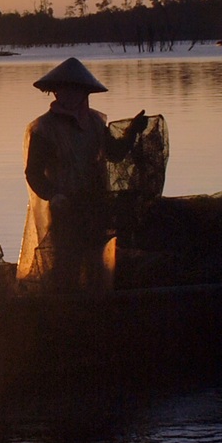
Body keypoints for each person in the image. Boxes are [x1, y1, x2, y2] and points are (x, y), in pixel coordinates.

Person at [18, 57, 148, 292]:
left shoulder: (95, 123)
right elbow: (33, 173)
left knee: (95, 263)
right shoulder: (44, 128)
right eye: (63, 89)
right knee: (65, 263)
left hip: (94, 204)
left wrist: (132, 132)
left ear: (84, 92)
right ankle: (63, 311)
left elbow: (114, 153)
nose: (67, 94)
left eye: (74, 89)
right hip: (65, 207)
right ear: (56, 92)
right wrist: (52, 194)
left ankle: (94, 310)